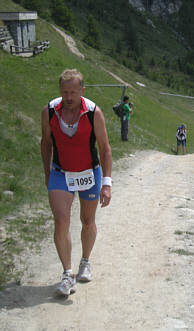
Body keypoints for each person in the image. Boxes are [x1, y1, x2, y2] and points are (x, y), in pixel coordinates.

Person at [41, 69, 112, 296]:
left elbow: (105, 149)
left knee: (87, 220)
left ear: (82, 90)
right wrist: (47, 173)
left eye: (73, 92)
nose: (68, 97)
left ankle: (85, 261)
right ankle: (67, 273)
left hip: (89, 173)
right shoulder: (50, 111)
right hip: (61, 172)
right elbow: (46, 143)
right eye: (64, 92)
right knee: (61, 220)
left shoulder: (93, 113)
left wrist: (107, 184)